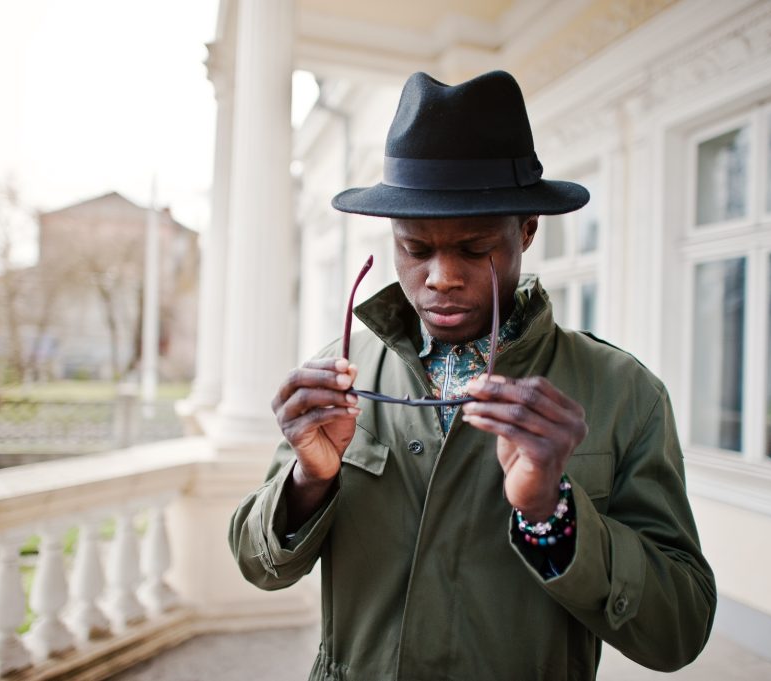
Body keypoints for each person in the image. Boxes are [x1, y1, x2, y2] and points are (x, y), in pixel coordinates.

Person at [230, 70, 716, 681]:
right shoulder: (342, 373)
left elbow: (680, 629)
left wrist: (552, 515)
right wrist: (308, 479)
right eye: (416, 249)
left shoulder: (622, 393)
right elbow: (257, 564)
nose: (441, 277)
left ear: (527, 231)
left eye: (475, 247)